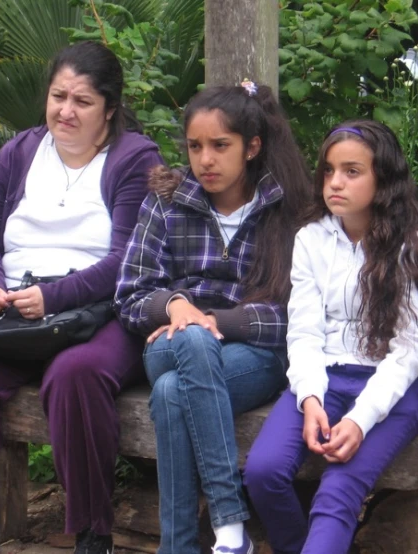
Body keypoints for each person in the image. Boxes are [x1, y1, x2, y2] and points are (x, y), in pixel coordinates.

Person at [0, 42, 162, 554]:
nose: (66, 110)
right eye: (58, 95)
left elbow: (127, 260)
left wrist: (54, 296)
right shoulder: (20, 151)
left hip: (100, 311)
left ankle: (93, 531)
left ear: (109, 108)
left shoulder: (135, 159)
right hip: (17, 307)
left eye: (82, 101)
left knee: (76, 373)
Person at [114, 81, 312, 554]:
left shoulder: (286, 210)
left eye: (220, 146)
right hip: (169, 343)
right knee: (191, 344)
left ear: (252, 147)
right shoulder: (167, 200)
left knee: (171, 394)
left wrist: (217, 319)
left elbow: (298, 314)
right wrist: (175, 306)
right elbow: (129, 295)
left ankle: (178, 547)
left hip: (253, 355)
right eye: (196, 146)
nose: (206, 159)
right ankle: (228, 519)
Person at [243, 120, 418, 554]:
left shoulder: (415, 245)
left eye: (352, 171)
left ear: (384, 179)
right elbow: (303, 333)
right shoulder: (311, 239)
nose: (335, 182)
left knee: (337, 493)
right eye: (328, 170)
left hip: (394, 390)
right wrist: (311, 400)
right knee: (263, 472)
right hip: (325, 379)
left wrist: (360, 420)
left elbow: (410, 349)